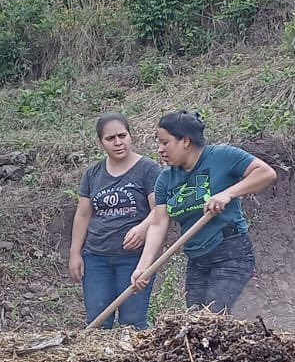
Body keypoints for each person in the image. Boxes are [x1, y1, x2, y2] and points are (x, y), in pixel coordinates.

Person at [133, 110, 276, 313]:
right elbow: (158, 224)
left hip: (230, 252)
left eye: (165, 143)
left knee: (211, 317)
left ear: (185, 140)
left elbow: (266, 173)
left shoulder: (222, 156)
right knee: (194, 323)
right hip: (197, 258)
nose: (160, 149)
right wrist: (143, 267)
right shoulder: (165, 179)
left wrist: (228, 194)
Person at [68, 113, 161, 329]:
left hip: (134, 258)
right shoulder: (93, 173)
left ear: (131, 136)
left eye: (122, 135)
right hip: (96, 258)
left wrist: (143, 227)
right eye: (110, 138)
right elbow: (83, 214)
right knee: (98, 322)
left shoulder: (148, 169)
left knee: (132, 321)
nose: (118, 142)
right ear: (101, 142)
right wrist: (75, 253)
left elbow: (160, 210)